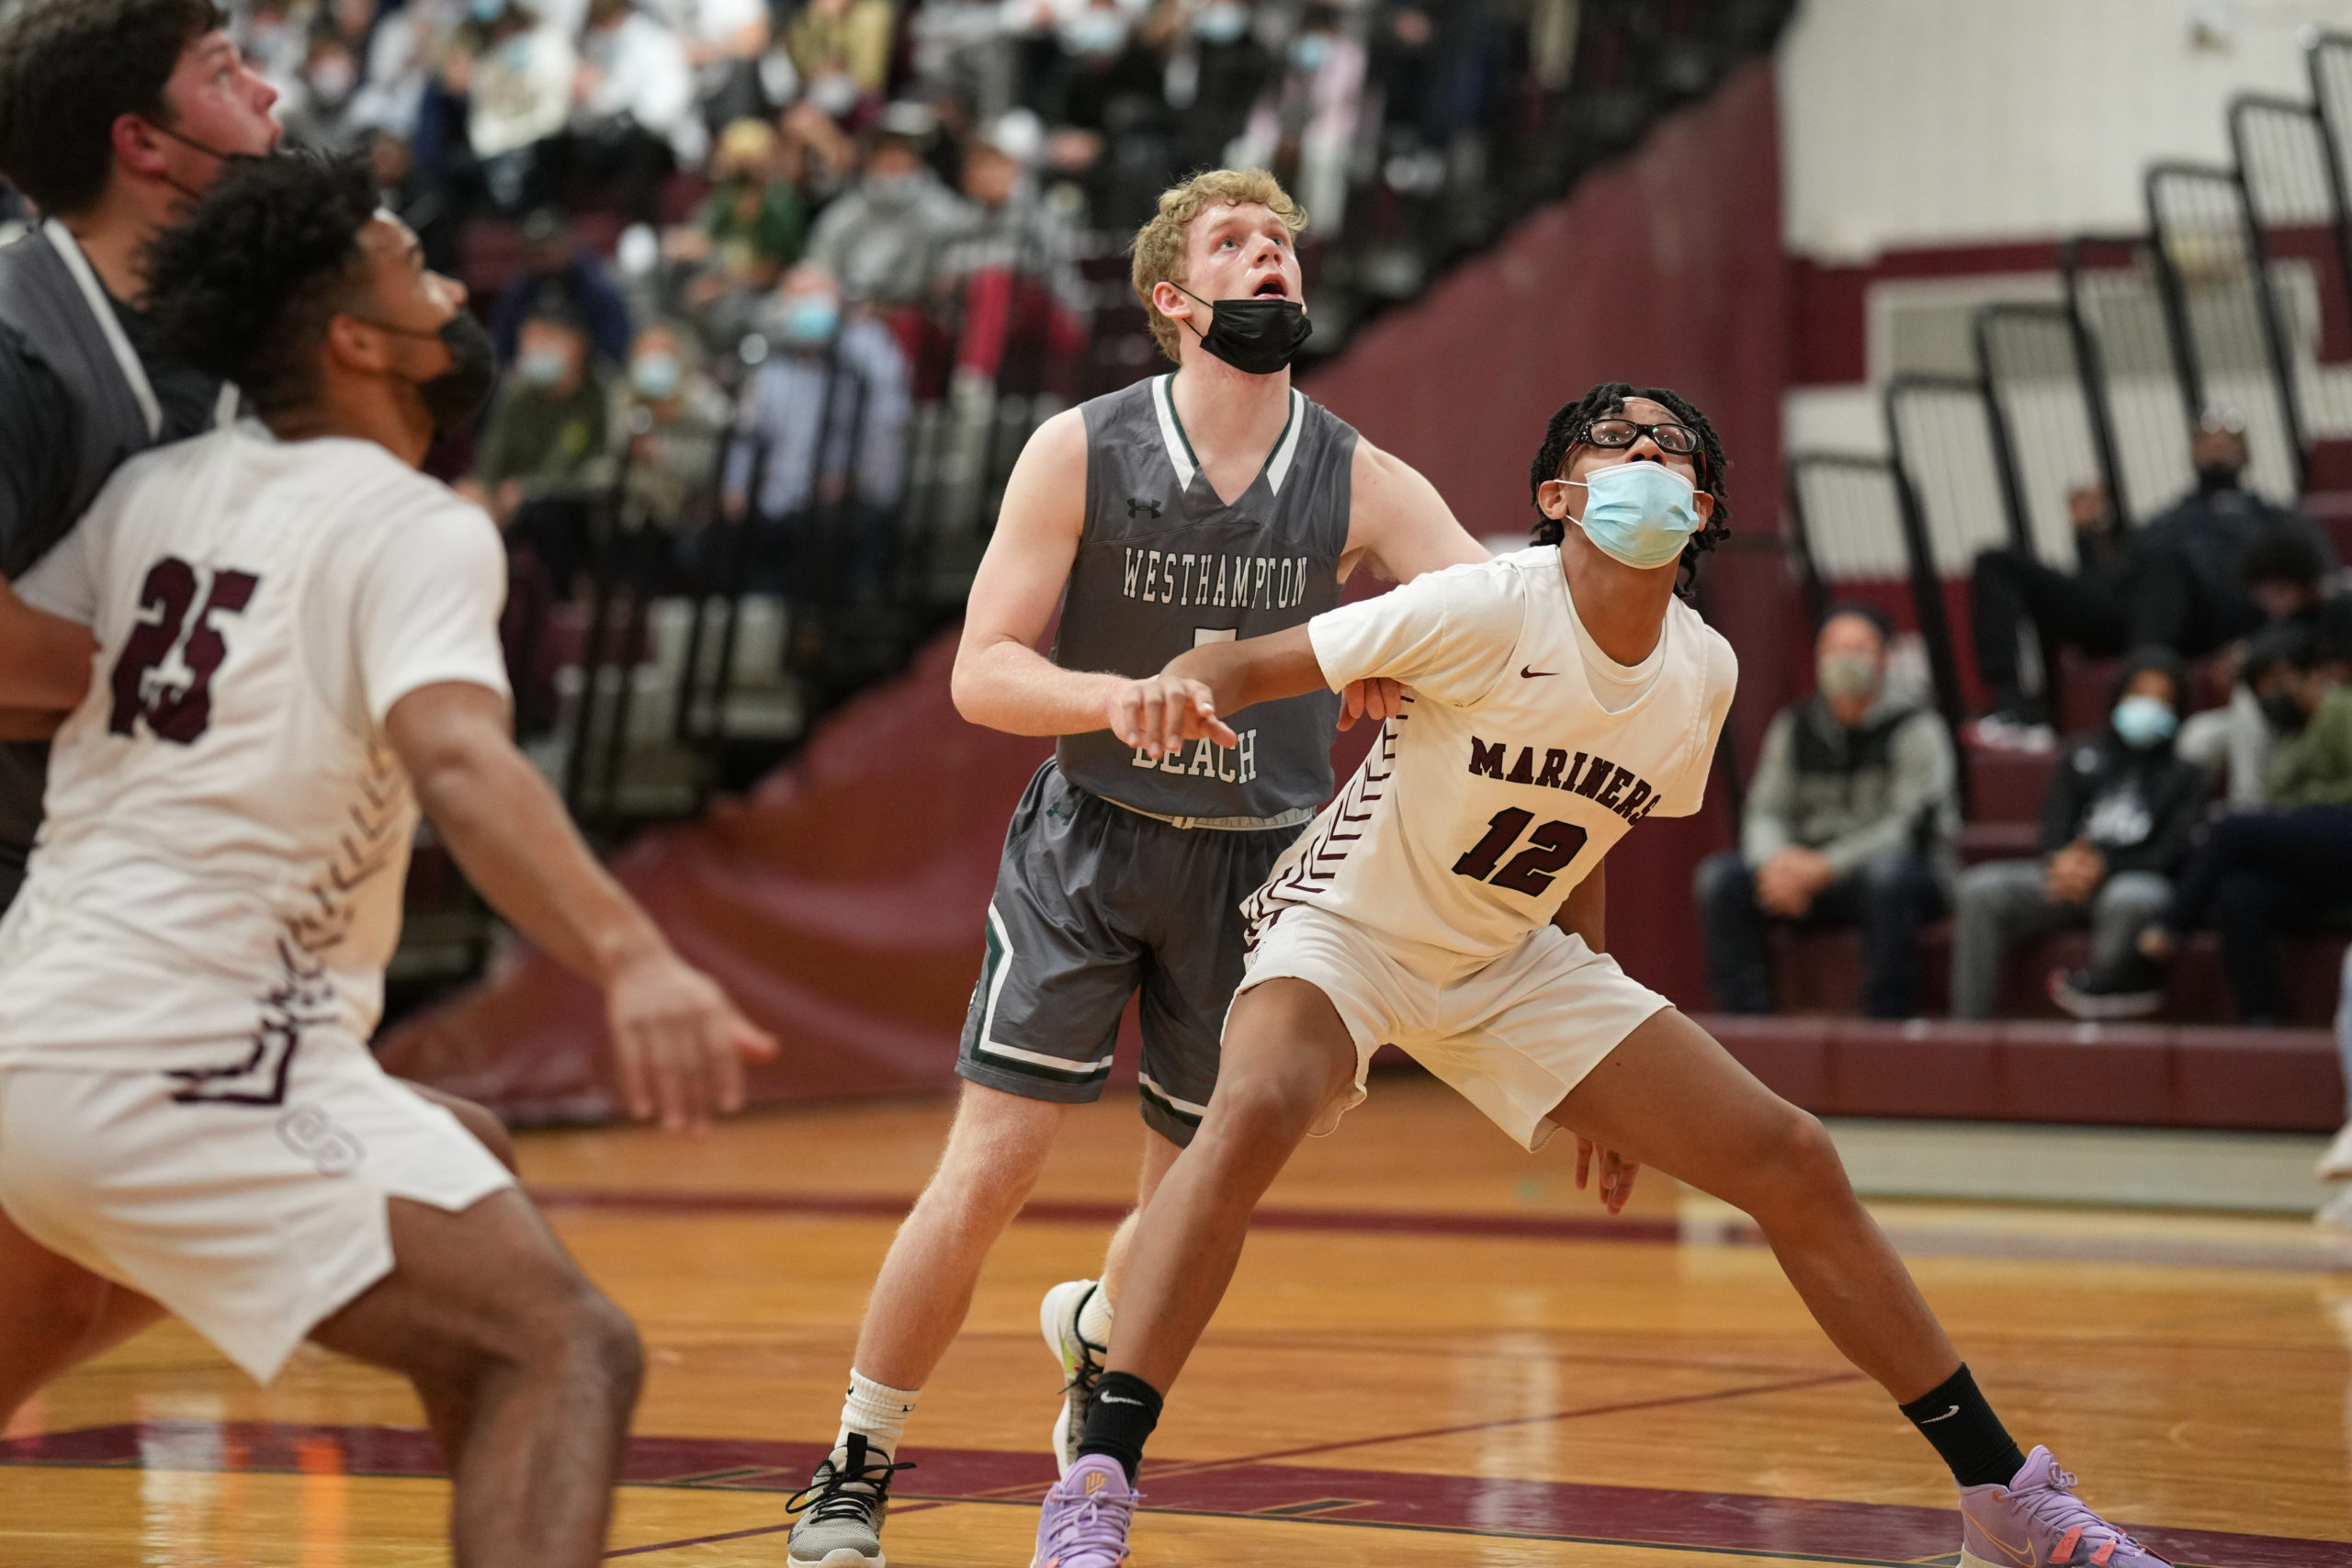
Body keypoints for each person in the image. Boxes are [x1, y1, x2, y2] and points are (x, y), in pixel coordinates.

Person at [1029, 383, 2165, 1568]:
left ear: (1703, 504)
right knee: (1255, 1107)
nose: (1643, 453)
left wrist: (1600, 1046)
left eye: (1669, 444)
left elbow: (1586, 833)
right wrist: (1171, 688)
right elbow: (1248, 662)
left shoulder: (1702, 672)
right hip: (1349, 927)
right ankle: (1097, 1484)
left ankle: (2001, 1496)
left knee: (1794, 1158)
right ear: (1557, 497)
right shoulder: (1478, 606)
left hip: (1513, 956)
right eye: (1612, 440)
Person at [0, 149, 775, 1565]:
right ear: (358, 340)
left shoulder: (150, 491)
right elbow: (466, 765)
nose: (450, 293)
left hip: (36, 1028)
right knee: (565, 1344)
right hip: (182, 1054)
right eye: (418, 272)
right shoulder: (411, 523)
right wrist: (636, 957)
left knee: (461, 1153)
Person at [778, 166, 1487, 1568]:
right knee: (991, 1164)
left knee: (1189, 1198)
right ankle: (856, 1456)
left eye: (1283, 241)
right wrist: (1112, 696)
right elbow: (983, 673)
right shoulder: (1079, 448)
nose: (1272, 257)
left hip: (1262, 870)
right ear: (1175, 297)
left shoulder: (1359, 474)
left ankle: (1102, 1346)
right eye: (1237, 242)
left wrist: (1405, 661)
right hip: (1090, 842)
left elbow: (1492, 617)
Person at [0, 0, 282, 903]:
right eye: (222, 74)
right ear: (144, 142)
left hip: (177, 878)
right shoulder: (20, 341)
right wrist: (210, 683)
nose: (266, 94)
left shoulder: (268, 336)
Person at [1971, 421, 2336, 746]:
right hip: (2138, 612)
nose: (2215, 448)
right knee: (1997, 561)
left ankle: (2138, 696)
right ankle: (2012, 704)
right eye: (2206, 441)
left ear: (2245, 454)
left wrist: (2257, 643)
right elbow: (2107, 583)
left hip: (2205, 619)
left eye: (2226, 441)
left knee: (2165, 561)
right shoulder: (2165, 519)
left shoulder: (2273, 515)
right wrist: (2087, 538)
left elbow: (2313, 588)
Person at [2055, 633, 2352, 1023]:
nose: (2275, 696)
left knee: (2229, 829)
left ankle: (2154, 948)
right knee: (2238, 894)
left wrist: (2306, 804)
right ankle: (2262, 1018)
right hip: (2320, 860)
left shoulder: (2340, 712)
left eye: (2282, 681)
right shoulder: (2289, 739)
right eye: (2263, 689)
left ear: (2315, 674)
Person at [1695, 604, 1955, 1018]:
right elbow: (1765, 812)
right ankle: (1749, 1026)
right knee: (1720, 880)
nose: (1843, 660)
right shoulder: (1795, 725)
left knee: (1887, 878)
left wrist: (1824, 866)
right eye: (1832, 649)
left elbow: (1906, 827)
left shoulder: (1917, 728)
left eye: (1857, 648)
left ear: (1885, 657)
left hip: (1898, 875)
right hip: (1805, 876)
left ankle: (1887, 1024)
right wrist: (1776, 864)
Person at [1948, 649, 2204, 1021]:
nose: (2149, 706)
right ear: (2119, 697)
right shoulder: (2081, 753)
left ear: (2177, 710)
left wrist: (2107, 865)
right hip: (2069, 877)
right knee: (1979, 890)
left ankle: (2100, 1035)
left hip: (2137, 880)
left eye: (2162, 699)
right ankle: (1967, 1030)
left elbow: (2172, 849)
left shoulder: (2187, 774)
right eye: (2140, 694)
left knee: (2127, 897)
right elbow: (2055, 825)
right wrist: (2061, 861)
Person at [463, 297, 616, 592]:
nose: (535, 348)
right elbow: (491, 462)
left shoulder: (601, 393)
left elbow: (605, 468)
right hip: (515, 504)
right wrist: (483, 493)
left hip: (580, 510)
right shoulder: (518, 394)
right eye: (529, 338)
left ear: (578, 344)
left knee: (545, 513)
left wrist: (532, 489)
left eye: (547, 337)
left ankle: (560, 603)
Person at [803, 116, 976, 308]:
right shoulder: (844, 215)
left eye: (903, 152)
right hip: (849, 314)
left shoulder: (945, 213)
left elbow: (954, 272)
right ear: (871, 158)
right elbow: (819, 266)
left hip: (918, 314)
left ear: (918, 158)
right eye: (887, 152)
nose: (895, 160)